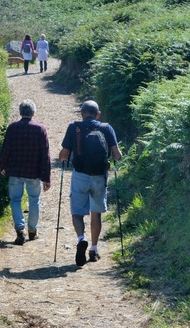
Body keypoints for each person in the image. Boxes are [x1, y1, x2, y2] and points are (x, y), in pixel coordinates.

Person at [58, 100, 122, 266]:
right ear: (97, 114)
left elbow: (63, 155)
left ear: (82, 114)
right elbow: (117, 155)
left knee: (77, 211)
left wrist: (63, 158)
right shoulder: (106, 128)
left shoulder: (74, 127)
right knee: (96, 213)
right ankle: (93, 249)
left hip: (80, 175)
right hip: (99, 176)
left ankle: (81, 239)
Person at [0, 99, 51, 244]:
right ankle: (32, 231)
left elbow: (6, 149)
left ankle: (20, 230)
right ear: (33, 113)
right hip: (33, 172)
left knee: (15, 200)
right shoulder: (40, 129)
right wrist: (46, 177)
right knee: (34, 200)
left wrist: (3, 166)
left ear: (20, 112)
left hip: (15, 171)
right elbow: (45, 155)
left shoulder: (12, 128)